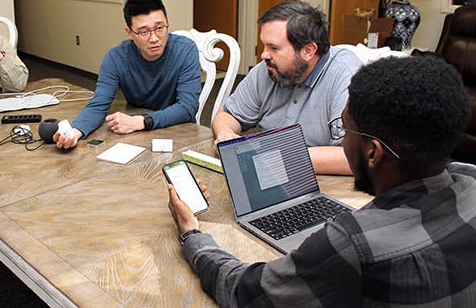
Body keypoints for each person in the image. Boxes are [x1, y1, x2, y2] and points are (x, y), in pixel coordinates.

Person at [168, 56, 476, 307]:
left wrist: (192, 236)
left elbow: (244, 292)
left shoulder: (353, 243)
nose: (343, 142)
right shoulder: (470, 180)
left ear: (372, 154)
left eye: (344, 130)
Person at [212, 0, 362, 175]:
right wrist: (225, 134)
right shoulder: (269, 68)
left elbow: (356, 157)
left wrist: (277, 156)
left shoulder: (346, 77)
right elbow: (228, 114)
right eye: (264, 45)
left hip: (328, 185)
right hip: (271, 175)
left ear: (308, 51)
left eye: (274, 48)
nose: (264, 54)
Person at [54, 0, 201, 148]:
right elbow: (98, 104)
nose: (154, 38)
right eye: (144, 32)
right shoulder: (116, 58)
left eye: (160, 28)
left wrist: (142, 121)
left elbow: (187, 107)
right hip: (137, 135)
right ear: (129, 33)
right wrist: (75, 132)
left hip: (179, 131)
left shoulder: (185, 50)